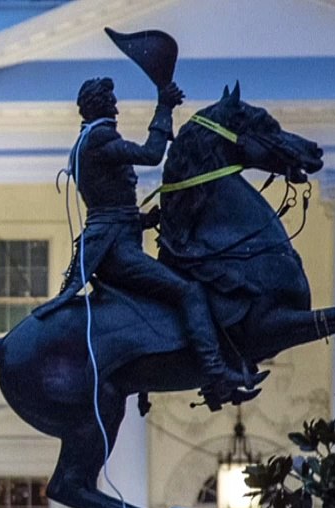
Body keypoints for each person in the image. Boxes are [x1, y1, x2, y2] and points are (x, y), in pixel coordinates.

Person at [34, 76, 262, 408]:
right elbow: (152, 154)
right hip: (116, 252)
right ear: (100, 106)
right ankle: (215, 374)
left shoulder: (90, 141)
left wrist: (144, 220)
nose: (115, 106)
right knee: (189, 291)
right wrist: (164, 106)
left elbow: (108, 207)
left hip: (115, 240)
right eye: (110, 101)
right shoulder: (98, 140)